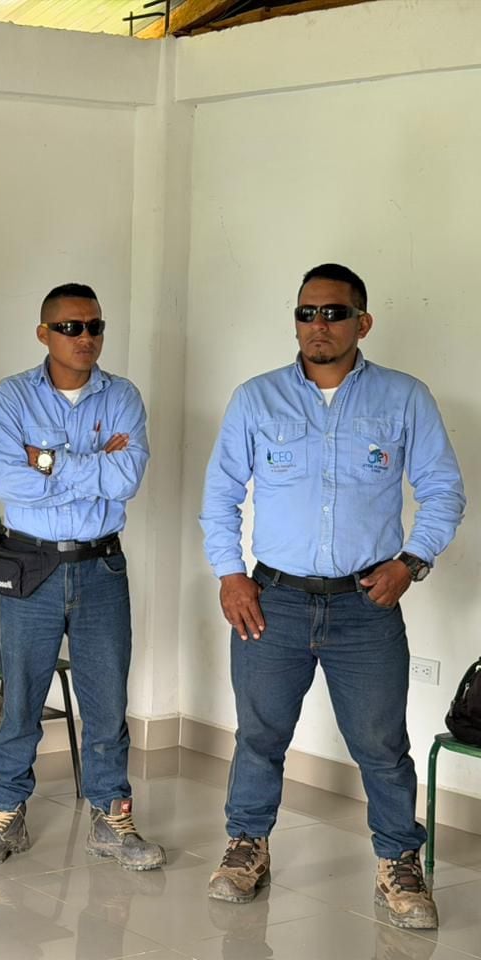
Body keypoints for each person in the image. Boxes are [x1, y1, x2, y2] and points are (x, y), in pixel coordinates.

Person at [200, 263, 464, 929]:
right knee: (260, 735)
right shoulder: (256, 399)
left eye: (334, 313)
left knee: (380, 742)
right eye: (306, 313)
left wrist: (413, 562)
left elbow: (443, 490)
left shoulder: (404, 398)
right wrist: (231, 574)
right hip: (273, 600)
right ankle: (246, 846)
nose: (318, 326)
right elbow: (221, 495)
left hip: (364, 605)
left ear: (362, 323)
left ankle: (400, 861)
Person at [0, 283, 164, 872]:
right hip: (31, 563)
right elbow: (13, 485)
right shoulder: (12, 397)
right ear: (44, 332)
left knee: (106, 698)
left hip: (101, 564)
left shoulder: (122, 396)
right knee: (21, 698)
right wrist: (96, 464)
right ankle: (4, 816)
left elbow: (125, 481)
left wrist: (47, 459)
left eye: (95, 326)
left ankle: (112, 816)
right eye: (71, 327)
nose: (86, 338)